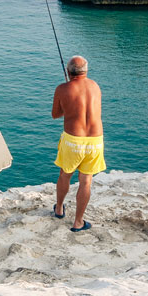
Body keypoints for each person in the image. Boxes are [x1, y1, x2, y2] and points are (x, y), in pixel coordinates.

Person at [51, 55, 105, 232]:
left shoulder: (62, 88)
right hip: (95, 141)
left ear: (68, 71)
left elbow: (56, 114)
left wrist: (66, 94)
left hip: (73, 140)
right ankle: (78, 222)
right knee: (86, 180)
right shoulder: (95, 86)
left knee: (65, 175)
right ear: (86, 71)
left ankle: (59, 209)